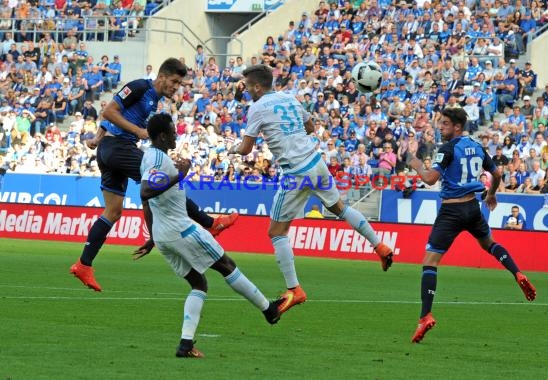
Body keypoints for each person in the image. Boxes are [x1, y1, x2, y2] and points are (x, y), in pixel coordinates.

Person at [228, 64, 394, 314]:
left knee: (276, 232)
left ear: (258, 87)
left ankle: (294, 289)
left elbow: (246, 149)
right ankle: (380, 246)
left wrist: (232, 149)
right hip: (316, 163)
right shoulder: (289, 98)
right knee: (340, 208)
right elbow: (309, 128)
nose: (248, 91)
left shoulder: (257, 107)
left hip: (295, 172)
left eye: (249, 87)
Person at [70, 58, 238, 292]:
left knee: (113, 211)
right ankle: (210, 223)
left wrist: (97, 138)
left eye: (179, 83)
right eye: (174, 82)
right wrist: (138, 131)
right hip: (119, 148)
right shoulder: (141, 87)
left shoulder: (153, 99)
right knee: (165, 178)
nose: (176, 87)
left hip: (109, 149)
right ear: (162, 77)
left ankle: (83, 264)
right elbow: (109, 110)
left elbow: (116, 113)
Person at [137, 114, 283, 358]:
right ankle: (269, 309)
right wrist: (179, 175)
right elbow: (145, 191)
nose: (176, 135)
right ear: (162, 136)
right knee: (227, 265)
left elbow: (148, 202)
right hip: (181, 230)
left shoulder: (149, 158)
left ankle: (185, 345)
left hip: (164, 235)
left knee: (199, 283)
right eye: (172, 132)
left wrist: (153, 237)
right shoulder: (158, 159)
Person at [406, 108, 536, 344]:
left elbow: (429, 179)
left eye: (445, 124)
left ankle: (425, 316)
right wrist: (492, 195)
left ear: (457, 126)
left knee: (429, 262)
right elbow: (496, 174)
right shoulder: (477, 145)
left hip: (451, 210)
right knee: (490, 244)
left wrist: (415, 162)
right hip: (473, 208)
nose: (441, 127)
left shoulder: (447, 149)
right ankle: (517, 272)